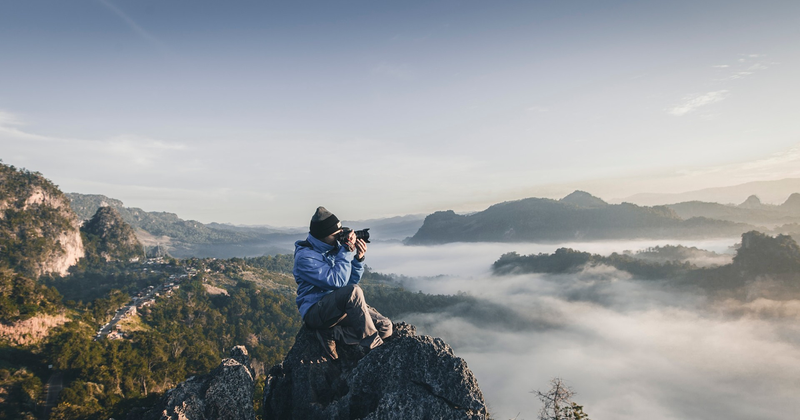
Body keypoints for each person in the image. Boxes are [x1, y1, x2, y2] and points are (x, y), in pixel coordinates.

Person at [293, 206, 393, 360]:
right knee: (354, 291)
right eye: (336, 235)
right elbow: (338, 283)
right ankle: (373, 349)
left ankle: (334, 334)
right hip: (316, 312)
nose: (340, 237)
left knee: (385, 327)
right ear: (323, 235)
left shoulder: (333, 248)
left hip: (337, 308)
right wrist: (345, 251)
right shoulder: (305, 258)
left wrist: (358, 260)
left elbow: (348, 284)